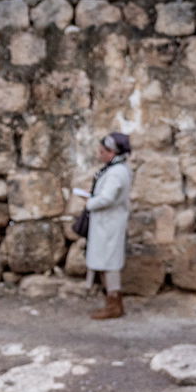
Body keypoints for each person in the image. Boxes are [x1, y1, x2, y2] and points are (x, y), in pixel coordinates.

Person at [81, 132, 133, 320]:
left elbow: (108, 198)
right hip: (108, 223)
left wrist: (89, 202)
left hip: (108, 224)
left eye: (103, 151)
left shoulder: (116, 173)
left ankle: (114, 304)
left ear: (112, 152)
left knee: (109, 263)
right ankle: (112, 301)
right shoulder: (117, 169)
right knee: (107, 262)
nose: (99, 154)